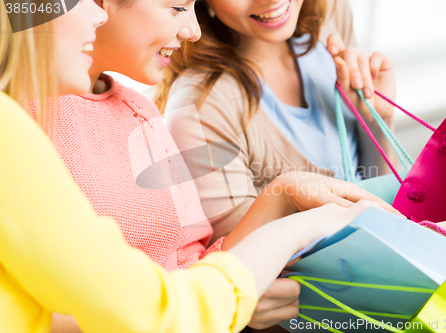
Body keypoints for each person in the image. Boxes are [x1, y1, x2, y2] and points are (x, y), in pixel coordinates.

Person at [0, 1, 383, 332]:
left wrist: (282, 199)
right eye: (177, 6)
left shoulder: (139, 112)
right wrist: (228, 294)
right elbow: (136, 310)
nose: (193, 29)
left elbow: (192, 262)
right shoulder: (18, 127)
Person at [156, 0, 446, 330]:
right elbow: (254, 287)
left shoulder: (329, 21)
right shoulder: (199, 110)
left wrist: (376, 119)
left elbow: (373, 178)